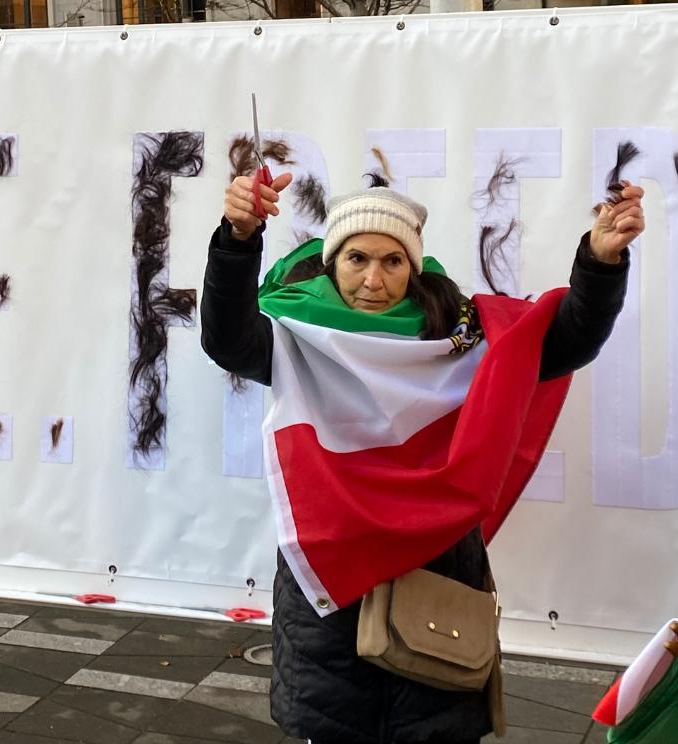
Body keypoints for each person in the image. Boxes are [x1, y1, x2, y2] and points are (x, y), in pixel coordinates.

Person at [201, 173, 645, 744]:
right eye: (357, 258)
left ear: (414, 268)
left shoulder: (460, 337)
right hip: (332, 584)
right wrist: (238, 239)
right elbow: (226, 338)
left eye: (392, 261)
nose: (373, 279)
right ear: (332, 263)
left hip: (437, 568)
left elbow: (561, 342)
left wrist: (600, 264)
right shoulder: (294, 335)